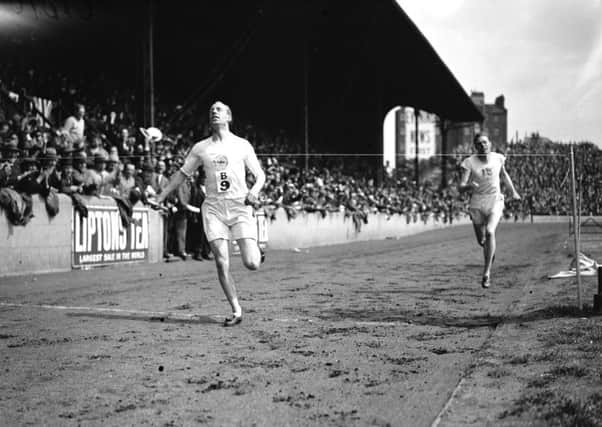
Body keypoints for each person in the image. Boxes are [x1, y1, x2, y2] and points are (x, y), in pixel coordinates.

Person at [156, 101, 266, 326]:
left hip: (239, 206)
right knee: (221, 261)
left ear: (229, 116)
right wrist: (161, 195)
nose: (214, 112)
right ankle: (236, 311)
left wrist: (253, 192)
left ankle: (257, 251)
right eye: (211, 111)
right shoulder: (201, 148)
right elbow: (182, 174)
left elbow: (260, 176)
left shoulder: (242, 145)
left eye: (219, 109)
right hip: (214, 208)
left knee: (252, 263)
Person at [459, 134, 521, 288]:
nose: (483, 146)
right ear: (475, 147)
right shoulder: (469, 162)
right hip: (477, 202)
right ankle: (489, 251)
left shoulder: (498, 158)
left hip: (495, 199)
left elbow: (504, 175)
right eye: (479, 144)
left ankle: (486, 273)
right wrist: (469, 186)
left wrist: (513, 191)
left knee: (490, 231)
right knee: (482, 241)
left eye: (485, 142)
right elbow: (460, 186)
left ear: (490, 144)